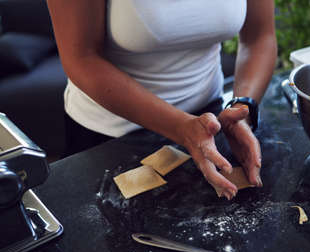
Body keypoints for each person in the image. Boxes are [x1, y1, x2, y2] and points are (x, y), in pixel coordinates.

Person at [46, 0, 277, 200]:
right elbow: (81, 59)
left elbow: (259, 37)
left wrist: (242, 109)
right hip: (110, 135)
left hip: (210, 121)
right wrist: (181, 127)